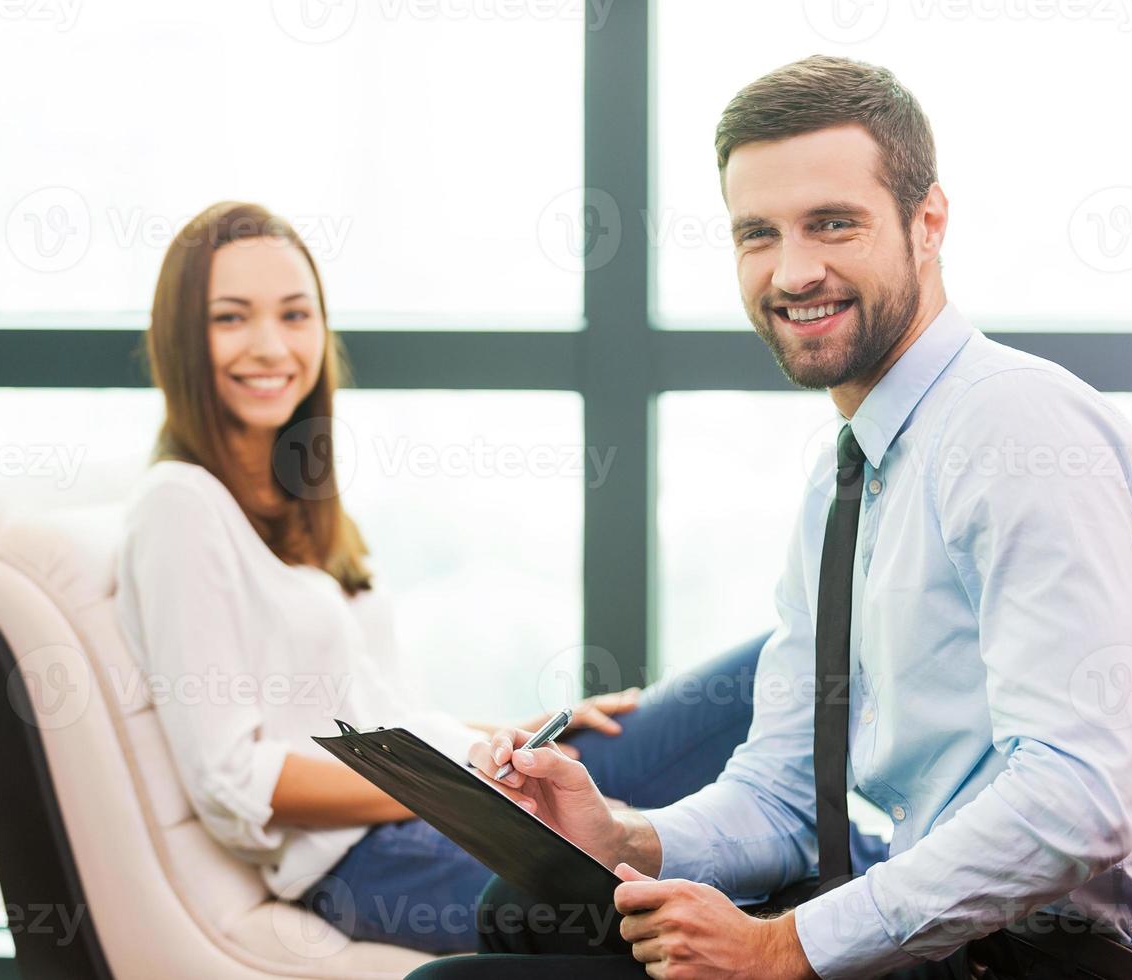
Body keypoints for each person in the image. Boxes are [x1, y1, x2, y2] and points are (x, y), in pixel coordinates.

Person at [416, 54, 1132, 978]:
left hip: (1060, 959)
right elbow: (782, 796)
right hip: (966, 938)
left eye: (831, 224)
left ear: (928, 224)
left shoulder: (1012, 426)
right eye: (756, 233)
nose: (793, 271)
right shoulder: (849, 475)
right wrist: (622, 837)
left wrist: (782, 948)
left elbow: (1080, 797)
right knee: (531, 901)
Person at [112, 200, 891, 953]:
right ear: (182, 337)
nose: (271, 346)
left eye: (293, 314)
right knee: (742, 823)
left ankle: (913, 882)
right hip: (373, 859)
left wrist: (525, 729)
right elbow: (230, 777)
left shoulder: (300, 505)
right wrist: (454, 784)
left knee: (785, 667)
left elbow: (384, 713)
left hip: (457, 792)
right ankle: (918, 914)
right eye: (230, 317)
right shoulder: (179, 505)